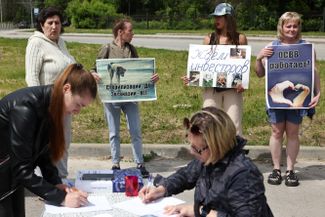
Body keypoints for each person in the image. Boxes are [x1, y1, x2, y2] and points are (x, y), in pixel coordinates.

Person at [0, 63, 97, 217]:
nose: (78, 111)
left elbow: (44, 154)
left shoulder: (52, 106)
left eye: (83, 107)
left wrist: (56, 183)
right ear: (66, 89)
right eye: (78, 104)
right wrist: (62, 198)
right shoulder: (25, 109)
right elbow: (22, 169)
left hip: (11, 176)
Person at [139, 107, 273, 217]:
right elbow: (186, 175)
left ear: (216, 146)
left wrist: (199, 211)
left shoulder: (244, 175)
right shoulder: (208, 158)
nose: (192, 152)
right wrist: (161, 189)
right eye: (191, 145)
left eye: (197, 149)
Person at [255, 12, 321, 187]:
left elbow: (313, 72)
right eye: (288, 26)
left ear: (299, 27)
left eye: (295, 26)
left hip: (298, 99)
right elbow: (260, 74)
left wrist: (318, 93)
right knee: (276, 132)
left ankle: (290, 170)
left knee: (292, 133)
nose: (292, 29)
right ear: (282, 27)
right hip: (276, 99)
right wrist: (259, 57)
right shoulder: (272, 47)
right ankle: (276, 169)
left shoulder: (306, 47)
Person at [91, 19, 159, 178]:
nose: (133, 33)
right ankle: (115, 163)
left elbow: (140, 72)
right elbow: (94, 68)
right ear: (120, 32)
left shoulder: (132, 50)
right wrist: (93, 74)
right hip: (111, 98)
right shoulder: (106, 49)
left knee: (135, 130)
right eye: (130, 30)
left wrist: (151, 78)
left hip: (130, 98)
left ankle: (140, 163)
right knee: (114, 132)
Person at [25, 7, 76, 179]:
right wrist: (40, 107)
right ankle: (48, 183)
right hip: (47, 105)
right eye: (50, 23)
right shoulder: (36, 43)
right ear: (42, 25)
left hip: (65, 105)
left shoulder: (61, 43)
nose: (54, 27)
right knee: (48, 145)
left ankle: (61, 178)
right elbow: (31, 77)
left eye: (57, 23)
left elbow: (69, 68)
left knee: (63, 143)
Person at [182, 2, 247, 136]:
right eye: (215, 17)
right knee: (208, 122)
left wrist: (243, 82)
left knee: (234, 123)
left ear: (229, 18)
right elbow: (202, 64)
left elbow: (241, 65)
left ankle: (236, 154)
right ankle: (211, 153)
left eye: (219, 17)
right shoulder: (209, 39)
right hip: (211, 88)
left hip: (232, 89)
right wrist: (192, 77)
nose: (216, 20)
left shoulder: (239, 39)